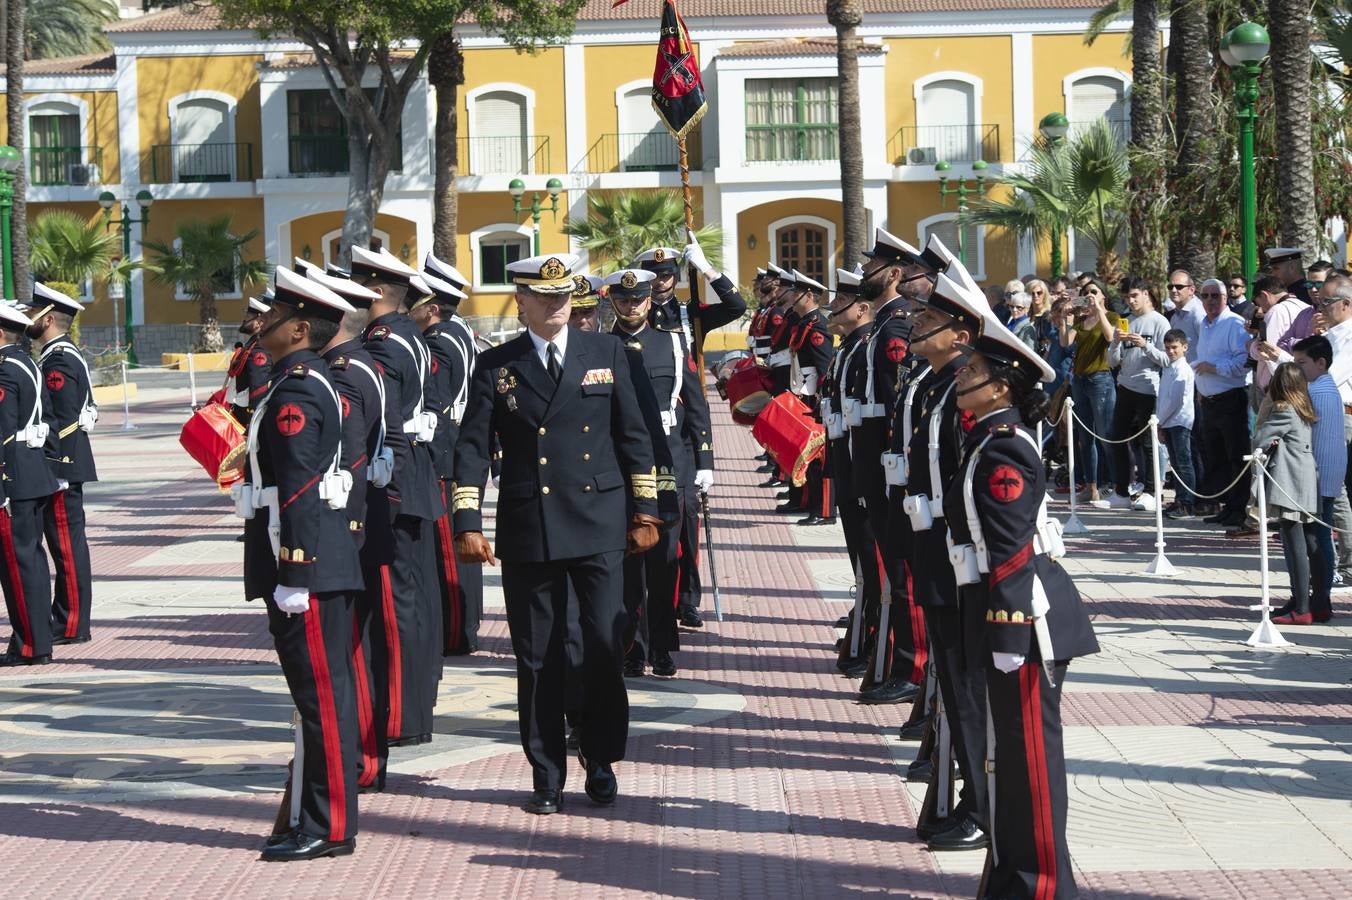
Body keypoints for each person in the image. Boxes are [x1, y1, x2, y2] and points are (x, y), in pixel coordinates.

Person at [452, 252, 661, 815]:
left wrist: (647, 511)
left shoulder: (608, 352)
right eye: (542, 297)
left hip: (599, 523)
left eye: (563, 295)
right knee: (538, 655)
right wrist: (466, 521)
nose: (555, 305)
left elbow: (635, 437)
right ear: (520, 301)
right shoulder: (496, 364)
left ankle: (600, 758)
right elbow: (471, 448)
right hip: (530, 526)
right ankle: (546, 773)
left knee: (600, 644)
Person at [945, 311, 1099, 898]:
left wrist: (1007, 629)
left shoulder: (1003, 449)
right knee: (1009, 757)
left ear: (1002, 387)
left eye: (975, 372)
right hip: (1001, 611)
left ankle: (1041, 885)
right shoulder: (986, 437)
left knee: (1030, 760)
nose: (963, 377)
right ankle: (1011, 874)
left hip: (1025, 620)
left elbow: (1010, 551)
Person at [242, 267, 363, 861]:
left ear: (300, 329)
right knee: (319, 699)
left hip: (306, 568)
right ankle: (312, 816)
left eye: (275, 317)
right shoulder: (304, 378)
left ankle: (328, 824)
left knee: (322, 701)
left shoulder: (297, 387)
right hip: (316, 561)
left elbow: (299, 486)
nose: (261, 323)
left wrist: (294, 571)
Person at [898, 263, 992, 852]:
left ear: (960, 334)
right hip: (935, 554)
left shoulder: (966, 388)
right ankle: (968, 796)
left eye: (929, 319)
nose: (916, 325)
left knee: (970, 689)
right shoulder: (933, 382)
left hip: (961, 562)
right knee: (955, 686)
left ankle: (983, 807)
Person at [351, 246, 443, 753]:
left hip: (396, 480)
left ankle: (402, 715)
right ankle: (412, 706)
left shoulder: (384, 341)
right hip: (411, 474)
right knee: (410, 597)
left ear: (377, 291)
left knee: (395, 603)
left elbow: (378, 416)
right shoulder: (405, 332)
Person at [607, 267, 708, 678]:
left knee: (665, 561)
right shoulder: (600, 346)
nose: (632, 306)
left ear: (650, 300)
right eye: (625, 299)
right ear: (612, 300)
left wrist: (705, 462)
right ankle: (633, 646)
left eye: (639, 299)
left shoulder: (671, 343)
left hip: (667, 461)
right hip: (620, 463)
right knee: (629, 561)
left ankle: (664, 647)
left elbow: (696, 404)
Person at [412, 270, 482, 657]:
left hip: (443, 452)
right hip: (455, 448)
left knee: (449, 553)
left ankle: (457, 631)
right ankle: (464, 625)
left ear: (433, 309)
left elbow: (434, 403)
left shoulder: (438, 342)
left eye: (417, 305)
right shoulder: (458, 332)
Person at [28, 284, 98, 646]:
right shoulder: (60, 354)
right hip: (64, 465)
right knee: (67, 546)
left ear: (49, 318)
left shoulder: (58, 359)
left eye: (33, 315)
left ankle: (71, 623)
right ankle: (69, 618)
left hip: (62, 467)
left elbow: (64, 419)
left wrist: (55, 466)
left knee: (67, 548)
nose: (27, 320)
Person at [823, 267, 880, 676]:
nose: (832, 310)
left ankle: (874, 635)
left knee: (872, 559)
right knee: (861, 557)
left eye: (840, 304)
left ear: (861, 309)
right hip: (847, 458)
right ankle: (866, 626)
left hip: (865, 465)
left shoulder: (870, 346)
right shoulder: (850, 347)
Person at [0, 303, 59, 667]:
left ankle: (30, 645)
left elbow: (3, 433)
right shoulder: (28, 363)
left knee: (19, 565)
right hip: (33, 471)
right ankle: (36, 640)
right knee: (31, 562)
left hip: (13, 478)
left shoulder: (5, 370)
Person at [1250, 363, 1319, 624]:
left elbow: (1259, 438)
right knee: (1300, 542)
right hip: (1303, 478)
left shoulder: (1284, 408)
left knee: (1294, 544)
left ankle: (1302, 608)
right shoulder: (1303, 406)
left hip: (1290, 481)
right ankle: (1303, 601)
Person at [1099, 276, 1169, 509]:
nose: (1131, 301)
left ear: (1146, 294)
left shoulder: (1159, 322)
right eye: (1127, 297)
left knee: (1148, 441)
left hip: (1150, 388)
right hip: (1125, 386)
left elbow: (1168, 359)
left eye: (1134, 296)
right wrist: (1117, 342)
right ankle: (1121, 491)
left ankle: (1151, 490)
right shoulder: (1124, 320)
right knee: (1118, 437)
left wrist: (1145, 345)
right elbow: (1112, 360)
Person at [1193, 280, 1253, 532]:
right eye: (1205, 295)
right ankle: (1226, 506)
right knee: (1216, 457)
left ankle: (1238, 510)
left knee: (1236, 456)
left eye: (1215, 295)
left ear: (1226, 297)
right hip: (1209, 401)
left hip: (1230, 398)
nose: (1210, 300)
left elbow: (1244, 361)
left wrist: (1214, 368)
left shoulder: (1234, 324)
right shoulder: (1205, 325)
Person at [1291, 336, 1342, 624]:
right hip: (1324, 472)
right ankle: (1318, 596)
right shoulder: (1322, 387)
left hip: (1318, 474)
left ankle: (1320, 596)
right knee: (1319, 535)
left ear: (1320, 363)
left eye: (1302, 364)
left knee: (1318, 537)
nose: (1297, 370)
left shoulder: (1318, 392)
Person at [1059, 277, 1122, 503]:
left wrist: (1099, 311)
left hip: (1101, 378)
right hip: (1080, 379)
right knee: (1085, 438)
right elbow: (1066, 342)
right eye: (1086, 292)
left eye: (1094, 291)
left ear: (1103, 296)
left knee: (1105, 434)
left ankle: (1117, 485)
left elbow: (1108, 336)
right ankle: (1091, 486)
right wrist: (1065, 317)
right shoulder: (1081, 319)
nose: (1090, 295)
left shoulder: (1112, 317)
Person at [787, 270, 835, 525]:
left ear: (809, 296)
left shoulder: (817, 327)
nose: (792, 297)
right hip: (801, 392)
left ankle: (823, 510)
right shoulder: (804, 323)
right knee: (805, 453)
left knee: (817, 456)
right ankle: (807, 501)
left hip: (812, 397)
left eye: (797, 293)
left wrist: (819, 400)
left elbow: (824, 367)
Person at [1158, 330, 1199, 519]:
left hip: (1179, 421)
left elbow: (1175, 400)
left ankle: (1187, 503)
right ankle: (1180, 499)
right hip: (1168, 421)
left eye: (1174, 347)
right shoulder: (1169, 367)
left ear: (1184, 347)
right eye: (1167, 348)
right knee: (1175, 462)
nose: (1171, 351)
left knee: (1183, 463)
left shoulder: (1183, 369)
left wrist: (1159, 421)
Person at [228, 296, 274, 428]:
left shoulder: (259, 347)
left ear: (259, 321)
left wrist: (251, 421)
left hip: (247, 418)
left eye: (248, 316)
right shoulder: (254, 342)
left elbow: (258, 388)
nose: (244, 319)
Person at [1167, 270, 1204, 362]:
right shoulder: (1175, 316)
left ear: (1191, 290)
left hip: (1197, 374)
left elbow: (1211, 345)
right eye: (1170, 287)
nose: (1174, 290)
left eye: (1179, 287)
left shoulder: (1198, 313)